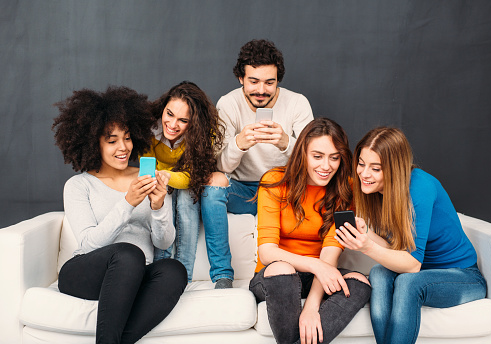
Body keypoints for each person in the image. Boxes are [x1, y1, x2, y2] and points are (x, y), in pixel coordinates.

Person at [52, 86, 188, 344]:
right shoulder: (79, 186)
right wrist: (127, 203)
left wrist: (159, 206)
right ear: (94, 143)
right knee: (128, 253)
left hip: (135, 276)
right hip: (85, 273)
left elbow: (163, 243)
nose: (123, 147)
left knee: (173, 269)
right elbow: (89, 244)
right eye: (112, 141)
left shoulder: (148, 177)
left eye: (127, 138)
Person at [335, 127, 487, 344]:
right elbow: (397, 249)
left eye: (375, 168)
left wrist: (366, 247)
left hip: (463, 277)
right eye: (361, 163)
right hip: (422, 272)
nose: (364, 173)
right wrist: (366, 234)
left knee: (408, 283)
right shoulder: (377, 191)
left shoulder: (420, 188)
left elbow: (413, 265)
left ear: (395, 168)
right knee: (379, 273)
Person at [201, 39, 314, 288]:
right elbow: (221, 167)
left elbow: (314, 163)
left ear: (278, 81)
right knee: (212, 184)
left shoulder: (297, 104)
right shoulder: (228, 104)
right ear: (241, 78)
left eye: (269, 82)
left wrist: (286, 142)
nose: (261, 90)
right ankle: (222, 276)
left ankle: (302, 275)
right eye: (253, 81)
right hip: (245, 190)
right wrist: (239, 144)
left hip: (284, 189)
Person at [249, 118, 371, 344]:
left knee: (360, 282)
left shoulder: (347, 188)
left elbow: (330, 252)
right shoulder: (274, 181)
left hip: (318, 276)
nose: (326, 166)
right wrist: (316, 266)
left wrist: (312, 307)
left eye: (334, 158)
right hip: (275, 277)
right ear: (302, 154)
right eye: (317, 156)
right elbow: (267, 252)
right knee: (283, 269)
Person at [142, 81, 224, 282]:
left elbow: (191, 176)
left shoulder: (205, 134)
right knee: (165, 197)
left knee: (187, 199)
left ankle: (183, 276)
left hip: (183, 181)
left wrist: (166, 175)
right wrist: (163, 178)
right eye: (169, 114)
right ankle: (159, 273)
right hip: (161, 183)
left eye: (183, 120)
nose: (172, 125)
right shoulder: (146, 130)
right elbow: (147, 168)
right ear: (163, 109)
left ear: (193, 122)